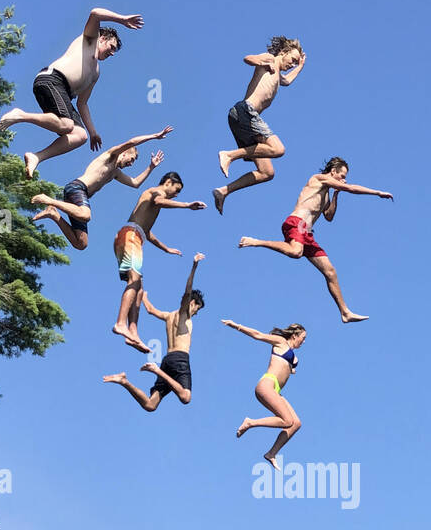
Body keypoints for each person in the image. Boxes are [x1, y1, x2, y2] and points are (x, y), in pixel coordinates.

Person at [238, 158, 393, 323]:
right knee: (296, 252)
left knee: (330, 272)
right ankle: (256, 241)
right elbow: (351, 188)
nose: (343, 179)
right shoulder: (318, 178)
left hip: (307, 232)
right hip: (296, 223)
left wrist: (336, 193)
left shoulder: (326, 193)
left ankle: (345, 312)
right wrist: (377, 192)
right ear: (333, 171)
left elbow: (329, 216)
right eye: (342, 175)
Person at [0, 5, 144, 177]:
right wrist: (122, 19)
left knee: (79, 135)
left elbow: (82, 103)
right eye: (111, 47)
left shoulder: (96, 72)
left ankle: (36, 157)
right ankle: (20, 115)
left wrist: (92, 133)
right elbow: (95, 13)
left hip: (63, 94)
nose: (112, 53)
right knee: (67, 124)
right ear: (102, 39)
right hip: (52, 79)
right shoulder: (89, 40)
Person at [31, 127, 173, 250]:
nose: (131, 164)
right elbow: (131, 142)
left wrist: (151, 167)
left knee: (81, 243)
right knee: (86, 215)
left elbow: (135, 183)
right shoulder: (110, 156)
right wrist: (154, 136)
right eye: (132, 159)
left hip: (81, 197)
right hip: (77, 188)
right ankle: (49, 200)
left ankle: (53, 214)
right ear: (124, 153)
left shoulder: (115, 173)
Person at [113, 173, 206, 353]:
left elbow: (147, 232)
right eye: (176, 190)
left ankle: (133, 331)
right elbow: (160, 201)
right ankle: (120, 323)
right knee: (135, 281)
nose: (176, 195)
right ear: (168, 183)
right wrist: (186, 205)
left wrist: (166, 248)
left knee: (138, 288)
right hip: (130, 236)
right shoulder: (155, 192)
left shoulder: (152, 203)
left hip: (134, 236)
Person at [212, 36, 305, 213]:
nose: (291, 64)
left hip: (244, 120)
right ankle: (229, 155)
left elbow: (287, 81)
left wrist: (300, 67)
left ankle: (223, 191)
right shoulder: (270, 59)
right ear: (283, 53)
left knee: (267, 172)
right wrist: (261, 60)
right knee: (278, 149)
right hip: (246, 111)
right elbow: (248, 58)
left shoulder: (278, 74)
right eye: (292, 60)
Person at [103, 254, 205, 411]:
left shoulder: (168, 315)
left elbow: (150, 310)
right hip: (180, 360)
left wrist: (143, 296)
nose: (196, 313)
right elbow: (187, 292)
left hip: (167, 361)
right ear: (192, 303)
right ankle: (156, 370)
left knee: (150, 405)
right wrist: (194, 267)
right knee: (185, 397)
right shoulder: (184, 314)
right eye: (197, 309)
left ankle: (124, 381)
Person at [223, 319, 308, 465]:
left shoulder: (294, 357)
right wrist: (237, 326)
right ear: (295, 335)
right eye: (303, 338)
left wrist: (291, 368)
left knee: (296, 423)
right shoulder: (281, 342)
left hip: (276, 390)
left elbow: (287, 367)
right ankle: (250, 422)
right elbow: (258, 335)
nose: (304, 342)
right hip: (267, 385)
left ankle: (271, 454)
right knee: (287, 420)